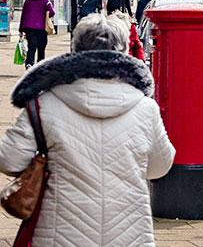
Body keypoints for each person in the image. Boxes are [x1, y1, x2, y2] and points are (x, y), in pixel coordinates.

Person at [0, 13, 175, 247]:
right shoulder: (145, 108)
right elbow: (160, 167)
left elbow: (9, 160)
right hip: (129, 235)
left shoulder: (44, 104)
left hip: (59, 236)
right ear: (123, 52)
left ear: (75, 50)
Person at [19, 0, 55, 67]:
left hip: (29, 27)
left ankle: (29, 63)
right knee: (41, 46)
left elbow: (23, 15)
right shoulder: (45, 0)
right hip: (41, 27)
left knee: (31, 46)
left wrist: (21, 29)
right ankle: (40, 64)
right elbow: (52, 12)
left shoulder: (27, 0)